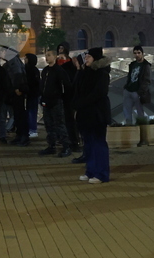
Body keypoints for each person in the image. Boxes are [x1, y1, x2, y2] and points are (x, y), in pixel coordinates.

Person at [74, 48, 112, 184]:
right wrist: (79, 70)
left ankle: (101, 173)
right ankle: (90, 171)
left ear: (95, 58)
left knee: (98, 143)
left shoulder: (101, 73)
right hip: (85, 113)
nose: (86, 59)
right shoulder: (86, 72)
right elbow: (77, 88)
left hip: (97, 113)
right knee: (88, 143)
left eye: (89, 57)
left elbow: (99, 93)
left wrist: (81, 103)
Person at [39, 48, 73, 157]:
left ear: (54, 57)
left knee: (59, 124)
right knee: (49, 125)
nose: (47, 57)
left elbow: (66, 85)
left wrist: (60, 97)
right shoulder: (45, 71)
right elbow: (43, 85)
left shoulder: (59, 70)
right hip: (46, 101)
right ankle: (51, 146)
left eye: (49, 55)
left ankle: (66, 147)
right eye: (46, 55)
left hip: (55, 102)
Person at [57, 42, 83, 156]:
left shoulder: (76, 70)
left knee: (72, 121)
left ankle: (74, 142)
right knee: (69, 121)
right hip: (68, 98)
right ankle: (72, 142)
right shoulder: (67, 68)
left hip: (72, 98)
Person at [123, 45, 152, 127]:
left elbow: (147, 80)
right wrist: (126, 87)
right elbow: (130, 76)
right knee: (127, 112)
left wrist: (140, 92)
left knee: (140, 113)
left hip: (137, 92)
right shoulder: (132, 64)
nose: (137, 55)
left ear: (142, 53)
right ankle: (129, 130)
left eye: (139, 53)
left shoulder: (146, 65)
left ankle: (142, 132)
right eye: (135, 53)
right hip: (128, 90)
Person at [23, 53, 40, 141]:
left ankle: (32, 130)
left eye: (26, 58)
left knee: (31, 112)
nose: (25, 60)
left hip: (32, 94)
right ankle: (31, 129)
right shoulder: (32, 70)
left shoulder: (30, 70)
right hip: (32, 94)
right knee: (31, 112)